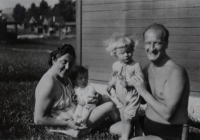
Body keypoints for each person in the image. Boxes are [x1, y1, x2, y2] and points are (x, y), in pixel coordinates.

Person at [34, 44, 114, 138]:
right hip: (69, 124)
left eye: (71, 63)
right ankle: (121, 126)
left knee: (104, 98)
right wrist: (68, 124)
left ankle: (120, 124)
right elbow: (38, 119)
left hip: (78, 112)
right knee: (110, 106)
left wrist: (97, 97)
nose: (67, 67)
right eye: (64, 62)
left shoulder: (64, 74)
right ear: (54, 60)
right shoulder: (49, 83)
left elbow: (79, 90)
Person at [130, 23, 190, 140]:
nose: (151, 49)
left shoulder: (176, 72)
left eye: (157, 43)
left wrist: (143, 91)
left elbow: (167, 114)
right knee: (115, 128)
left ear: (166, 43)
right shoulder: (147, 68)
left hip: (170, 132)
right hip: (147, 124)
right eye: (148, 43)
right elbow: (142, 101)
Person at [105, 34, 144, 140]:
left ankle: (125, 138)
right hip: (120, 96)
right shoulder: (115, 65)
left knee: (128, 117)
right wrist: (110, 84)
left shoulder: (135, 65)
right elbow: (114, 77)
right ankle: (133, 132)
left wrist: (129, 83)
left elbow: (141, 80)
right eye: (122, 53)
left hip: (131, 96)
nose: (126, 55)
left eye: (129, 51)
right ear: (115, 54)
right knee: (124, 117)